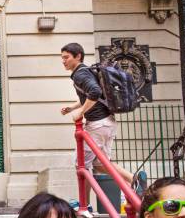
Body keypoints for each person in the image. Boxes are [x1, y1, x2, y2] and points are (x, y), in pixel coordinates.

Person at [60, 42, 147, 208]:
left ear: (78, 56)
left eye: (66, 57)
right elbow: (89, 95)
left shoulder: (80, 74)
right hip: (107, 122)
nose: (63, 61)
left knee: (82, 165)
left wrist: (80, 113)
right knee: (100, 164)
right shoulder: (86, 71)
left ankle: (84, 206)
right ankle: (134, 179)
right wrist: (73, 107)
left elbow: (95, 92)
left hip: (97, 125)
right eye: (62, 58)